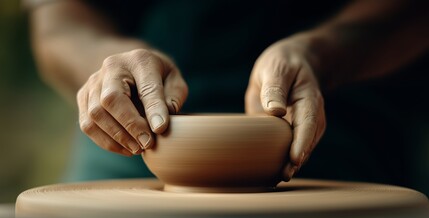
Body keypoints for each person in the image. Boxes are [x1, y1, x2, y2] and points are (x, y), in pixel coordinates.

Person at [25, 0, 429, 190]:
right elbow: (57, 22)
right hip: (138, 136)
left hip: (321, 121)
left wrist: (319, 55)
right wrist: (108, 66)